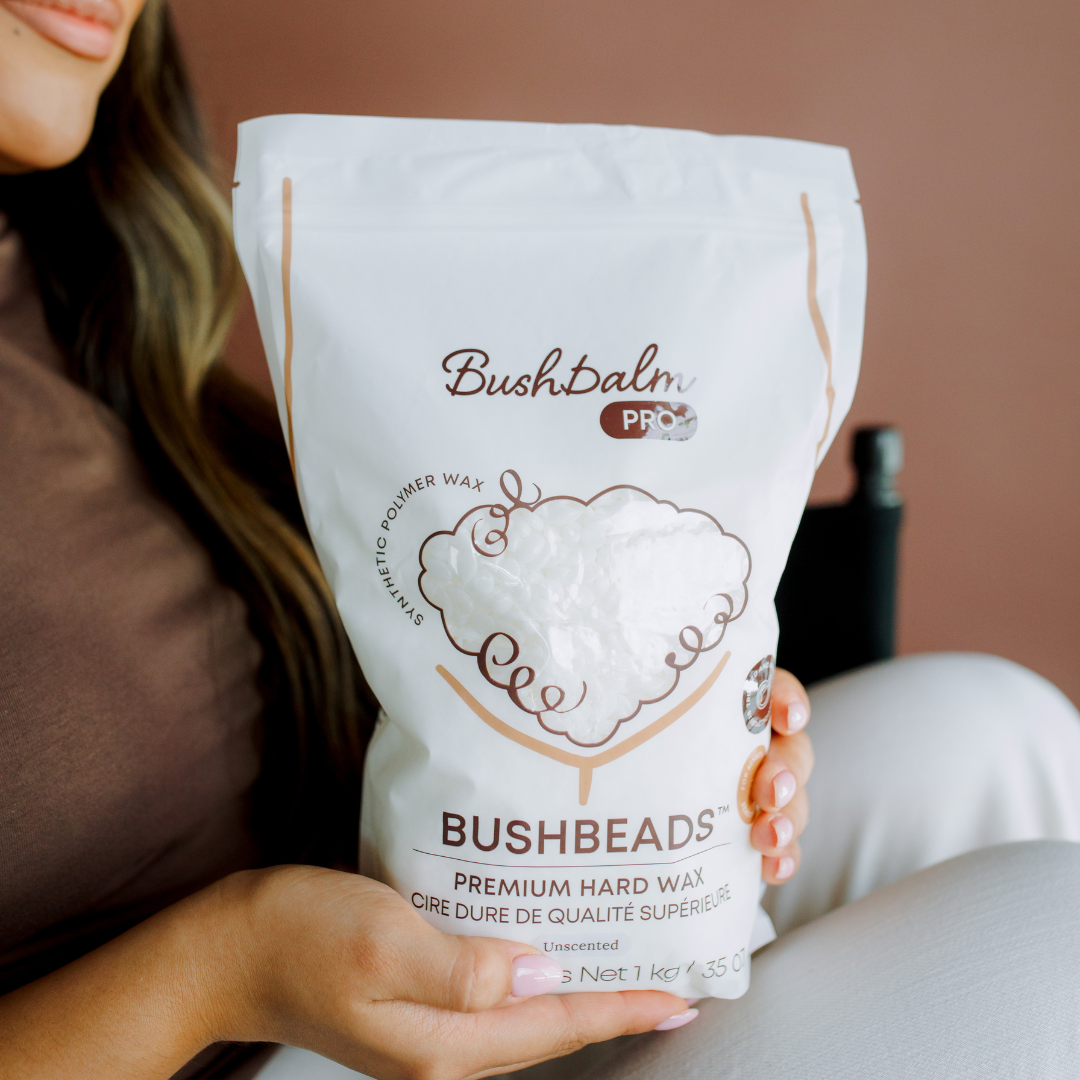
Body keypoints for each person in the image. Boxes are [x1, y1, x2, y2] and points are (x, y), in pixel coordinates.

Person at [1, 3, 1078, 1080]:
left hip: (365, 943)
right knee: (1054, 942)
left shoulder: (84, 295)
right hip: (229, 1032)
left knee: (997, 732)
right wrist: (227, 969)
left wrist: (690, 722)